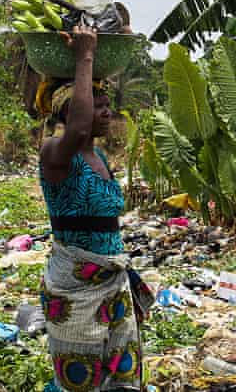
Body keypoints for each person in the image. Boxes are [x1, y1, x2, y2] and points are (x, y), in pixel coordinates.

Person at [36, 25, 153, 392]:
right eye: (97, 106)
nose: (107, 113)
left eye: (107, 105)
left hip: (112, 282)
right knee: (81, 378)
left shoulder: (99, 155)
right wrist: (85, 55)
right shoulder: (55, 153)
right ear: (70, 113)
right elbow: (79, 127)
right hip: (76, 290)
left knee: (122, 374)